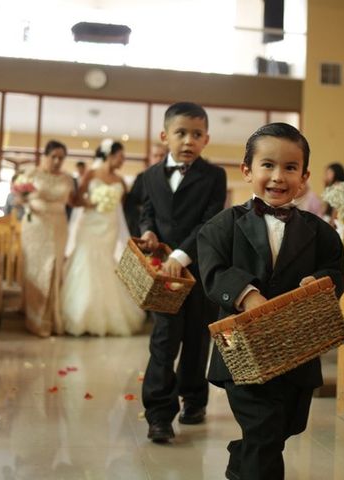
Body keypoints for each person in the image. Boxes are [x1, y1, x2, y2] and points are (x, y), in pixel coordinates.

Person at [197, 123, 344, 480]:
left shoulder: (319, 230)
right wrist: (248, 296)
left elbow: (335, 271)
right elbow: (213, 269)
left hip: (297, 351)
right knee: (264, 430)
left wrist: (320, 284)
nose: (278, 177)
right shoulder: (224, 225)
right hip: (243, 350)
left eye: (290, 168)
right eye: (268, 165)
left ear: (304, 175)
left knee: (285, 427)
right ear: (247, 171)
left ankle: (241, 458)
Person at [138, 102, 227, 442]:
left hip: (200, 269)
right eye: (181, 133)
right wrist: (147, 231)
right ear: (165, 136)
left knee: (195, 338)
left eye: (196, 134)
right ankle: (158, 413)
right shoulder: (149, 176)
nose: (188, 140)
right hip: (164, 274)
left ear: (206, 139)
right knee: (163, 339)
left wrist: (182, 253)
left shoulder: (214, 176)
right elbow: (147, 212)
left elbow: (209, 221)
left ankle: (193, 398)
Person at [61, 139, 145, 336]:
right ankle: (81, 313)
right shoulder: (90, 174)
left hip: (110, 226)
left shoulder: (120, 181)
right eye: (120, 157)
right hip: (90, 225)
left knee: (106, 263)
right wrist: (91, 202)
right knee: (86, 263)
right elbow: (76, 199)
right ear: (110, 155)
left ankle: (105, 312)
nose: (122, 161)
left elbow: (124, 205)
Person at [20, 140, 74, 337]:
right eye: (54, 157)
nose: (58, 161)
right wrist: (24, 202)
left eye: (61, 158)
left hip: (59, 225)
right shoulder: (31, 174)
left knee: (54, 269)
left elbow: (72, 202)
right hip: (35, 226)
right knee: (36, 270)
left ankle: (51, 319)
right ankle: (34, 319)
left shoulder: (67, 179)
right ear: (46, 156)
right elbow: (19, 197)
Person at [124, 142, 168, 237]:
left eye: (162, 155)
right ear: (150, 158)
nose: (159, 158)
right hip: (142, 226)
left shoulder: (171, 178)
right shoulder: (141, 177)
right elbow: (131, 203)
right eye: (155, 155)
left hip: (165, 229)